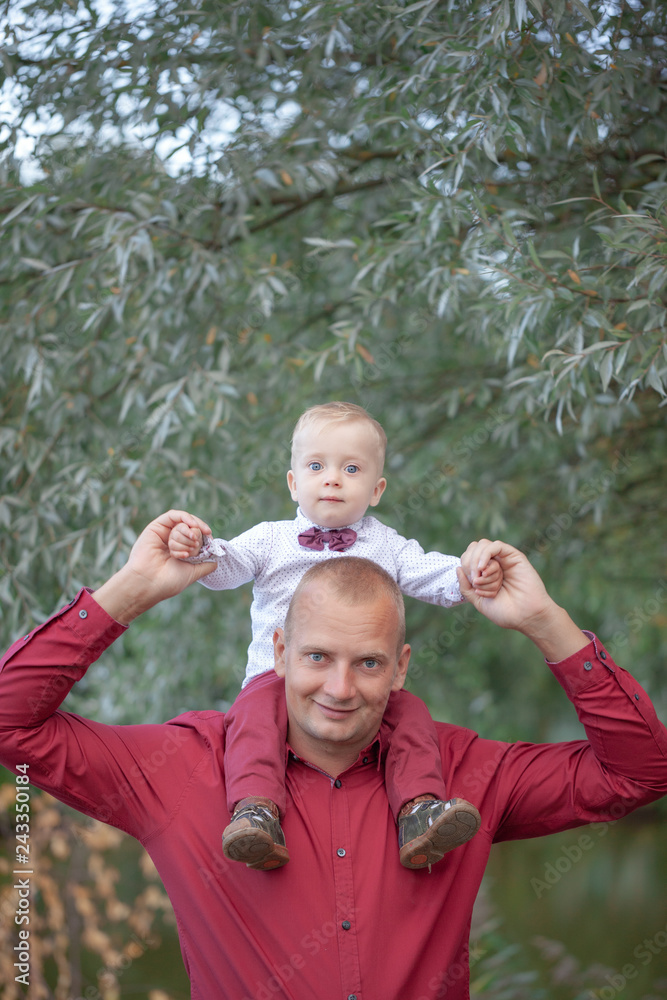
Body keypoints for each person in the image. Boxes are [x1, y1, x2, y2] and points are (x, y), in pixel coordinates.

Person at [1, 510, 666, 1000]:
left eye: (368, 663)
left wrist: (545, 621)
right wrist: (131, 591)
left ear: (401, 668)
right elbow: (11, 721)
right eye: (318, 657)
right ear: (281, 651)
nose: (340, 689)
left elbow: (638, 772)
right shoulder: (179, 770)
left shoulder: (461, 775)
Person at [167, 401, 503, 871]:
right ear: (292, 482)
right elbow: (226, 566)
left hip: (359, 680)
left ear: (376, 489)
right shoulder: (271, 539)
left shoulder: (385, 545)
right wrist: (198, 548)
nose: (332, 479)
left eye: (351, 468)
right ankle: (256, 813)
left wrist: (469, 575)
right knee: (253, 721)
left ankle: (418, 812)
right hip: (274, 677)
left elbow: (430, 573)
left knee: (410, 715)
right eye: (316, 466)